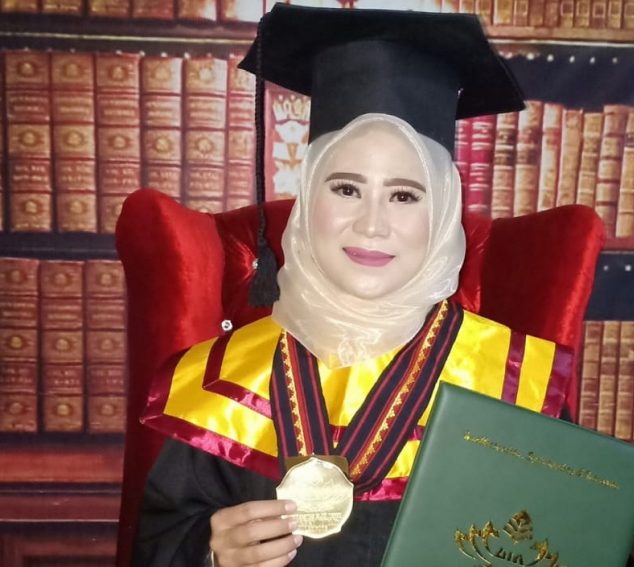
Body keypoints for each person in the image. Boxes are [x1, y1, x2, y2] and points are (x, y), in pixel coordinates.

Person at [132, 5, 573, 567]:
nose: (372, 224)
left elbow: (563, 543)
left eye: (405, 195)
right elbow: (160, 542)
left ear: (442, 213)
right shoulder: (221, 383)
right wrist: (210, 556)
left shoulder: (514, 389)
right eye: (345, 188)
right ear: (307, 197)